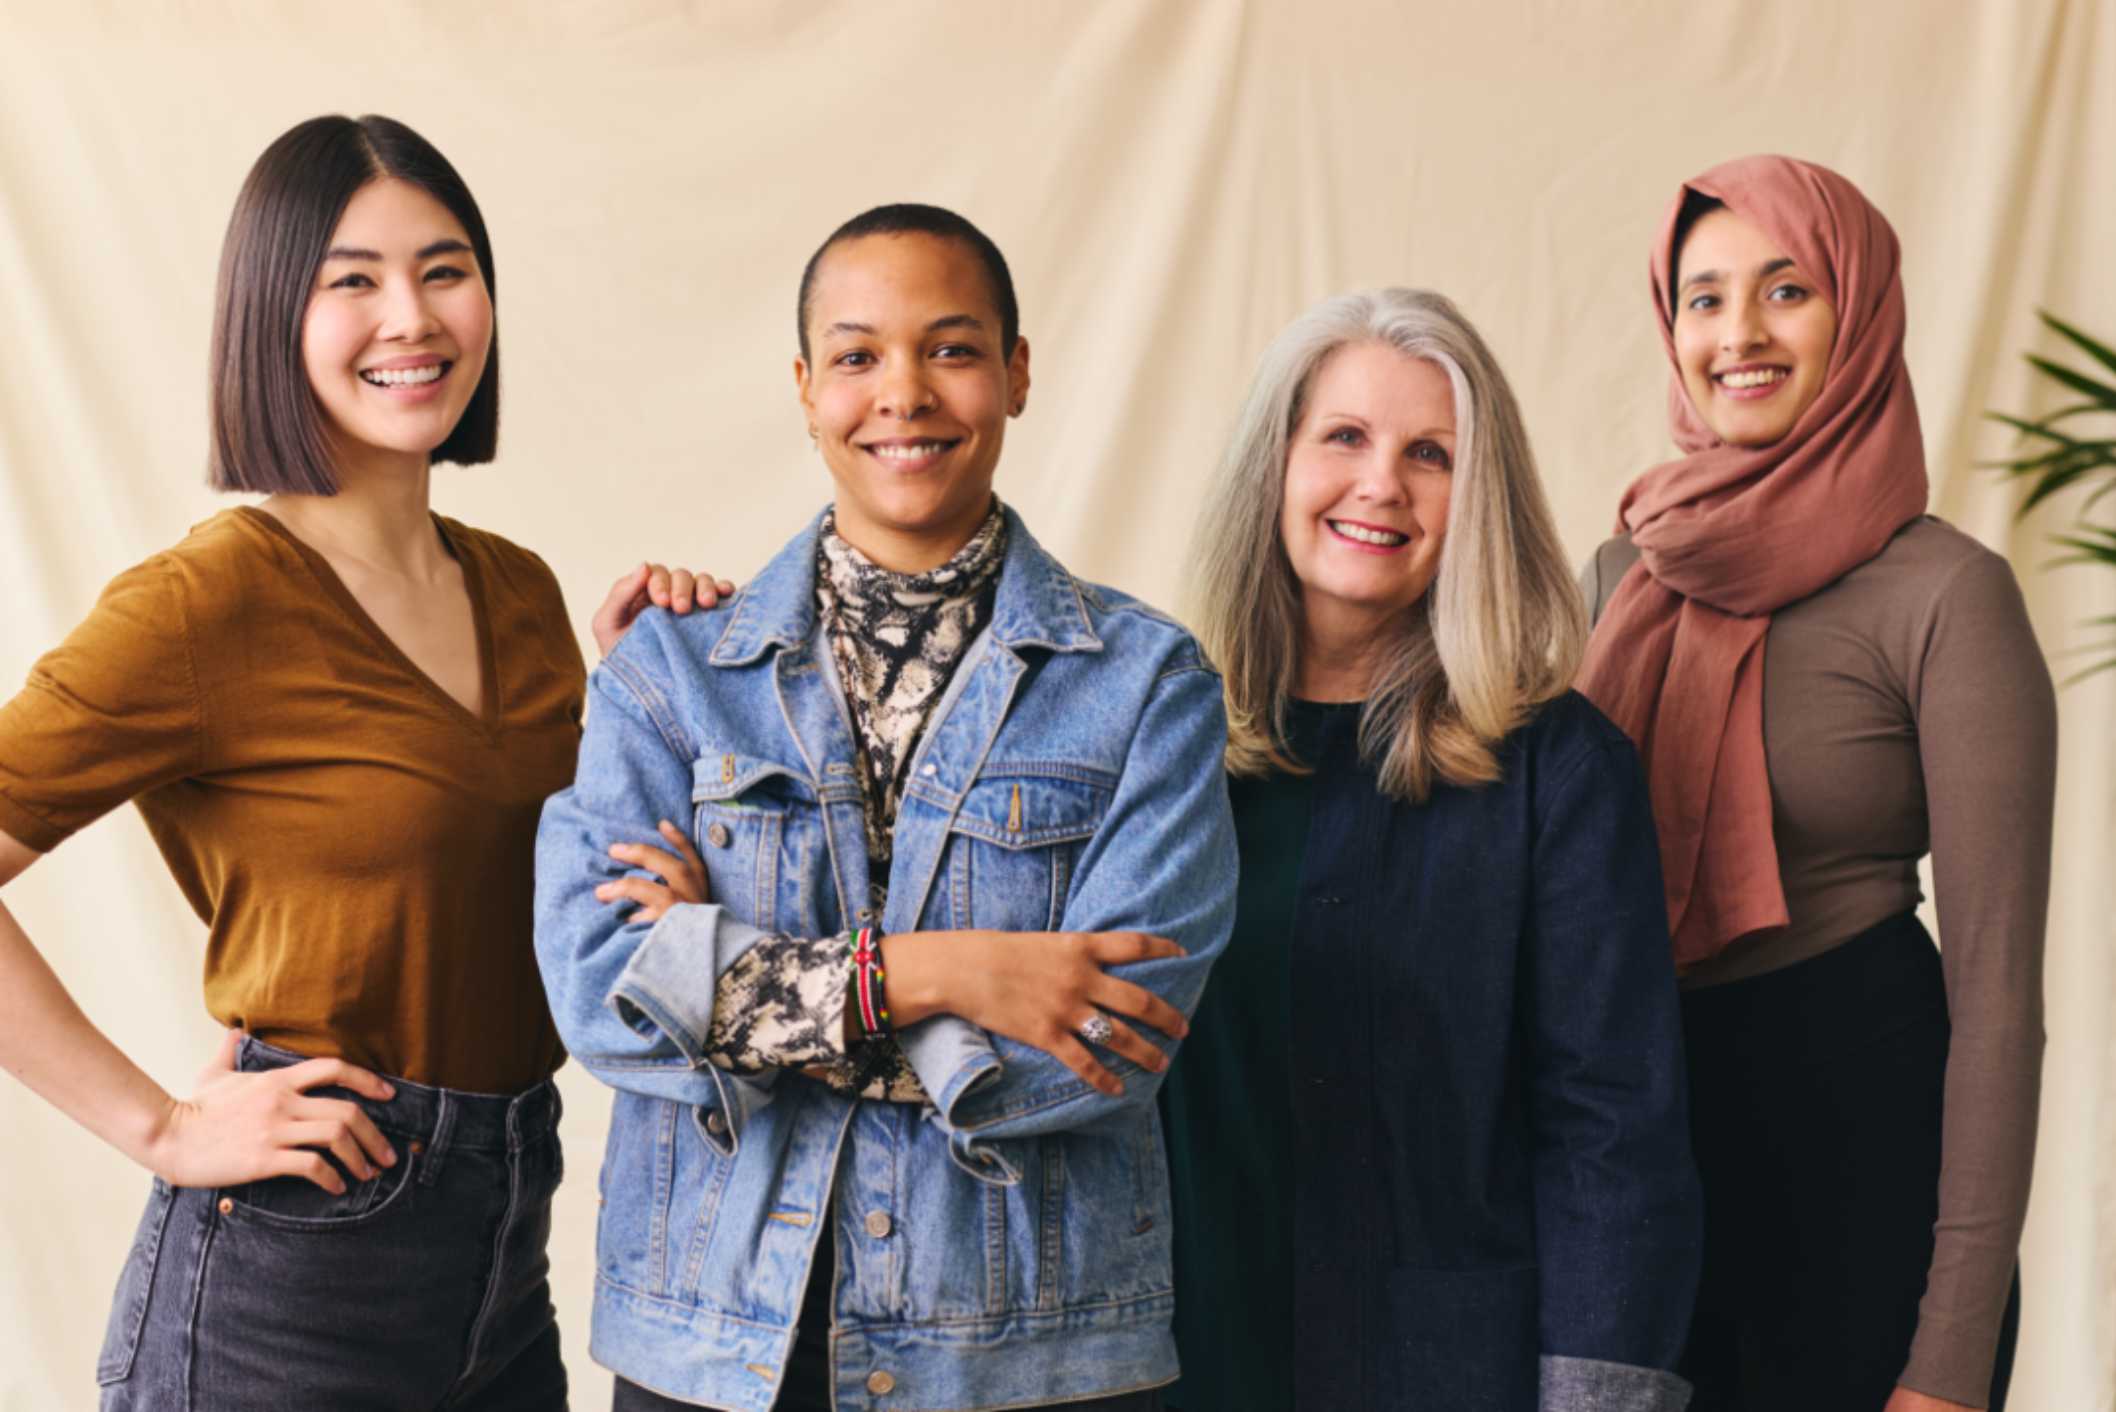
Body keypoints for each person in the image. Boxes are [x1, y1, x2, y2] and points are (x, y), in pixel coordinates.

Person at [0, 112, 705, 1410]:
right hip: (294, 1275)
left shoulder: (521, 592)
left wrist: (647, 699)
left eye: (444, 269)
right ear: (275, 314)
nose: (412, 316)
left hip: (506, 1257)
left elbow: (521, 879)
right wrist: (158, 1127)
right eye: (353, 279)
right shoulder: (207, 604)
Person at [533, 203, 1237, 1412]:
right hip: (716, 1349)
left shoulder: (1146, 686)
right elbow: (605, 992)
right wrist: (949, 970)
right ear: (806, 389)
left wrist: (730, 979)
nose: (902, 392)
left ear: (1017, 371)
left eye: (952, 348)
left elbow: (1106, 1050)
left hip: (1028, 1358)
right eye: (857, 356)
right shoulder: (670, 675)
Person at [1163, 287, 1702, 1412]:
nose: (1381, 484)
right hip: (1172, 1363)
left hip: (1447, 1374)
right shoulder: (1156, 739)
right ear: (1276, 464)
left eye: (1431, 454)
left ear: (1479, 501)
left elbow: (1611, 1129)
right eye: (1344, 437)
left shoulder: (1558, 767)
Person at [1576, 155, 2056, 1412]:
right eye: (1703, 297)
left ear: (1856, 307)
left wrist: (1948, 1358)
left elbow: (1998, 1000)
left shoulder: (1946, 593)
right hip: (1646, 1159)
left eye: (1786, 289)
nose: (1738, 332)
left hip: (1866, 1156)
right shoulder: (1618, 575)